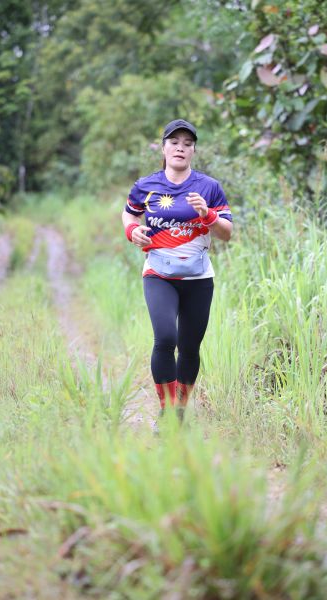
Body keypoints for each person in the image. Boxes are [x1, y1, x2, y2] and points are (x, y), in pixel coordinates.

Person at [122, 119, 233, 421]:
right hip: (158, 273)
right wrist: (132, 231)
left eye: (187, 144)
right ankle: (167, 411)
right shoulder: (146, 186)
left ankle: (180, 410)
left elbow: (226, 233)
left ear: (194, 150)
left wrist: (207, 214)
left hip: (198, 277)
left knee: (189, 347)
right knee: (165, 338)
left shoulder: (209, 187)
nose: (180, 148)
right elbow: (129, 213)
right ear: (164, 148)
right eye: (174, 142)